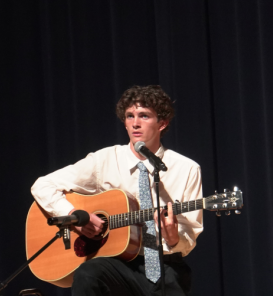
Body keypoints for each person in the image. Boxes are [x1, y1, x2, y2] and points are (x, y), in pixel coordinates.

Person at [31, 85, 203, 296]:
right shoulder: (105, 160)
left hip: (165, 265)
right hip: (117, 265)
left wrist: (173, 237)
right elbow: (43, 185)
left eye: (144, 116)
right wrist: (75, 217)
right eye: (129, 116)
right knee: (88, 273)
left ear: (163, 123)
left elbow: (190, 234)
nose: (135, 123)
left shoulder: (187, 168)